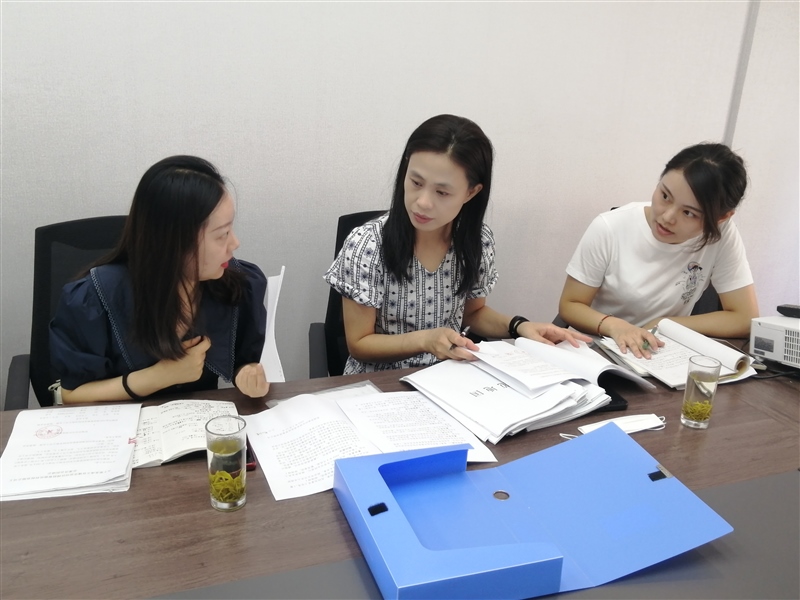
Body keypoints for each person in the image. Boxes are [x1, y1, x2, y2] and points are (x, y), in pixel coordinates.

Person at [324, 114, 589, 374]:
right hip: (381, 381)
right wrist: (425, 340)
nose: (422, 202)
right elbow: (359, 344)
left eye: (442, 192)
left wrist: (519, 326)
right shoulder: (368, 245)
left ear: (471, 192)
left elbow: (473, 314)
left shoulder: (477, 241)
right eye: (416, 182)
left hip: (449, 378)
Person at [50, 156, 269, 404]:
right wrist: (159, 377)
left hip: (195, 420)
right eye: (222, 234)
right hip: (121, 423)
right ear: (175, 243)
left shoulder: (236, 285)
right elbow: (72, 394)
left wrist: (248, 374)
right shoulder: (95, 299)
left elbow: (244, 360)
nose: (235, 243)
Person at [558, 142, 759, 359]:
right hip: (600, 350)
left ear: (721, 218)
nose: (667, 217)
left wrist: (664, 323)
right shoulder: (610, 227)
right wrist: (616, 326)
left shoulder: (720, 234)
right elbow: (570, 304)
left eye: (689, 213)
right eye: (665, 196)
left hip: (657, 354)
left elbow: (745, 318)